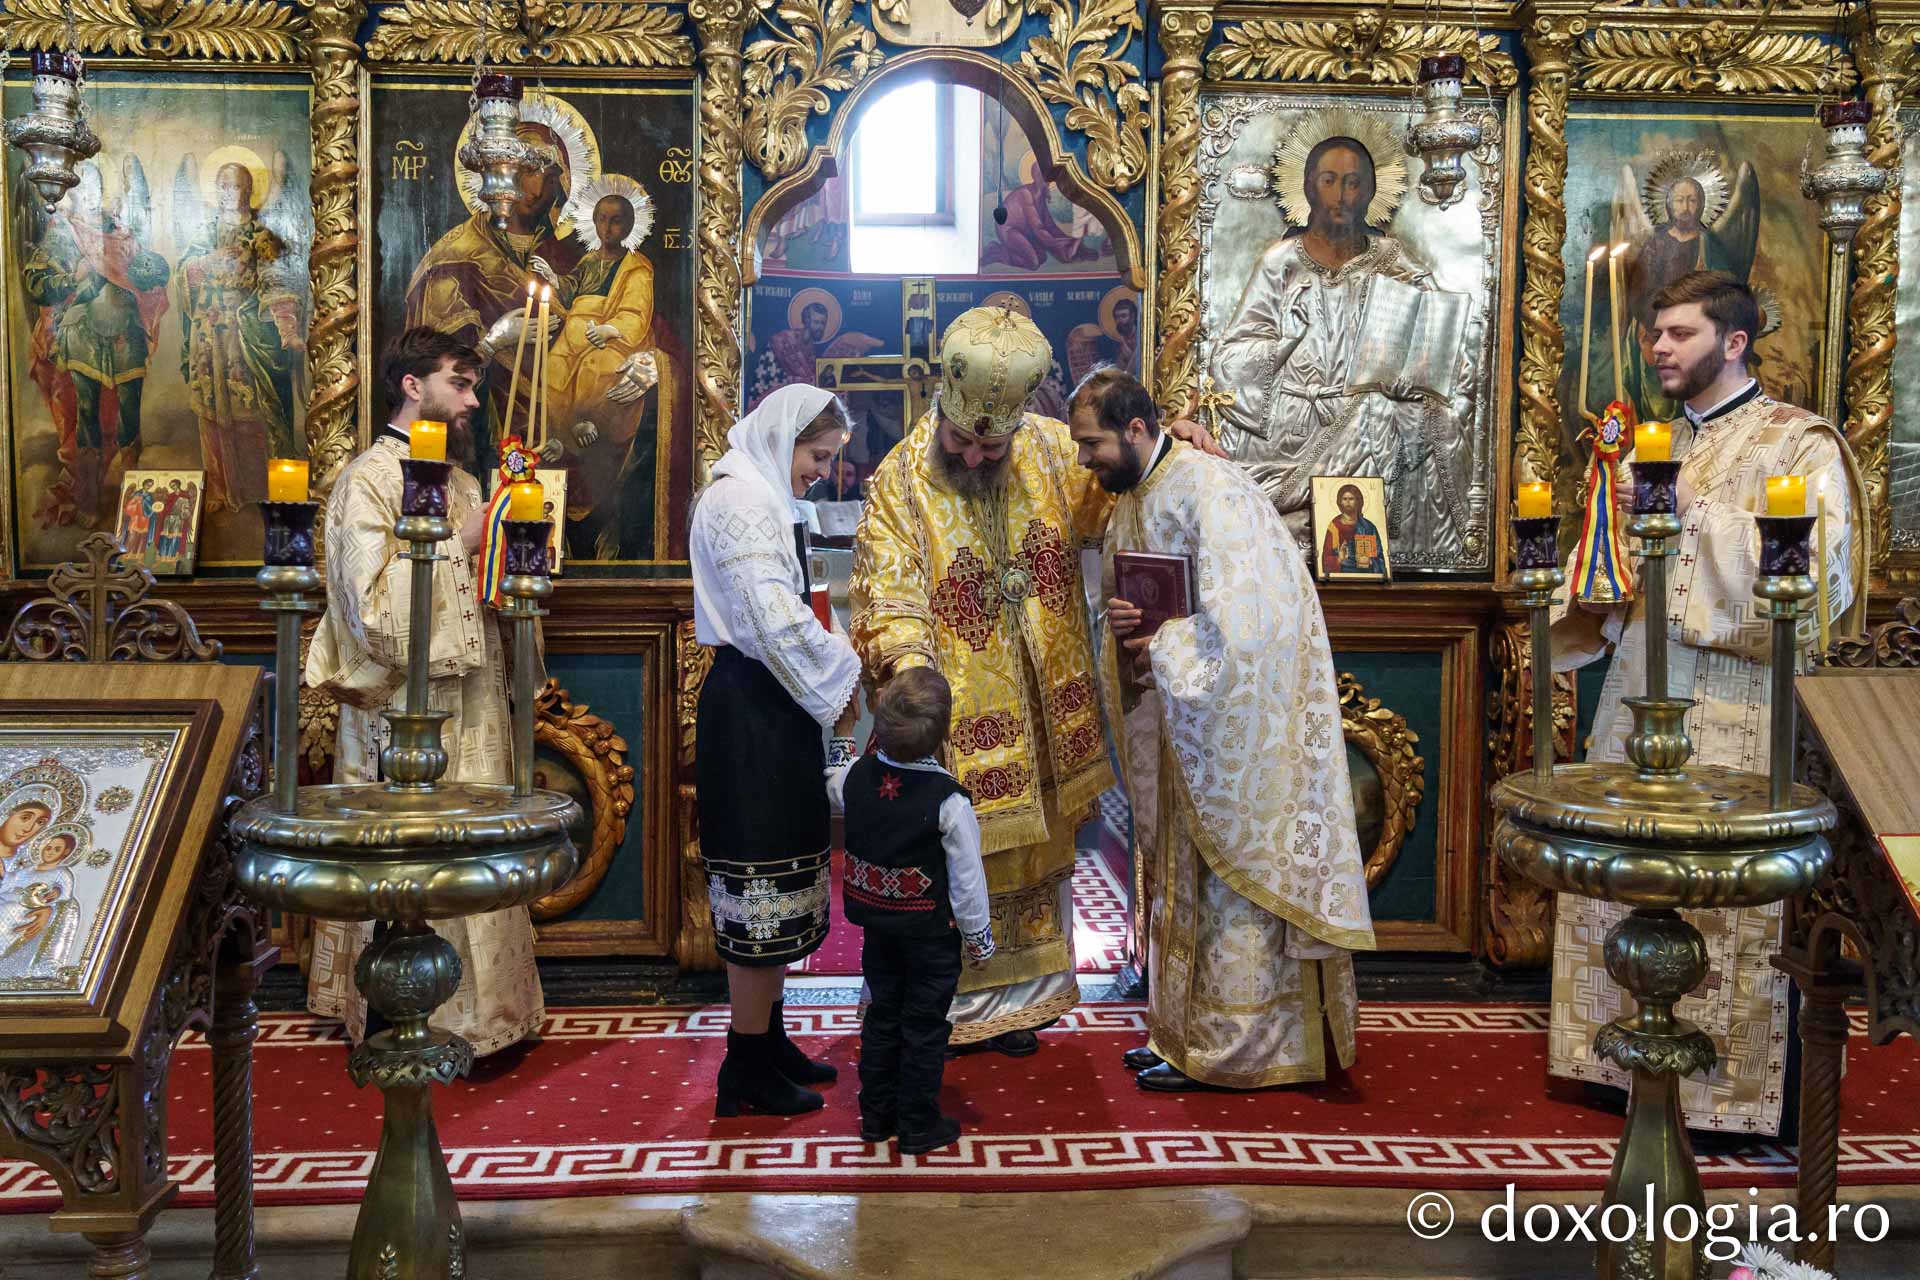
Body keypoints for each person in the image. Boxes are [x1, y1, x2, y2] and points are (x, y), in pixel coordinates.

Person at [850, 306, 1221, 1056]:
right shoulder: (901, 479)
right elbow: (886, 590)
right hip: (962, 705)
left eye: (995, 444)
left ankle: (1023, 1002)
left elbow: (1120, 489)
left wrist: (1175, 449)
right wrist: (911, 669)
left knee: (1043, 850)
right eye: (965, 441)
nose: (980, 457)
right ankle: (947, 1006)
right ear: (942, 411)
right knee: (960, 854)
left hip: (1048, 700)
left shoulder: (1052, 449)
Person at [1549, 271, 1867, 1135]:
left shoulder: (1801, 445)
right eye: (1657, 334)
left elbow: (1816, 581)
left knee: (1728, 898)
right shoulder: (1653, 438)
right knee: (1623, 872)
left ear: (1734, 343)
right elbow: (1623, 582)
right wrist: (1601, 565)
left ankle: (1727, 1096)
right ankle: (1621, 1065)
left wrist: (1692, 509)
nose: (1660, 349)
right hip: (1642, 693)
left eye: (1679, 334)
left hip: (1740, 710)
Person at [1072, 368, 1376, 1090]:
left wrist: (1170, 644)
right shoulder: (1134, 497)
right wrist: (1121, 624)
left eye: (1092, 445)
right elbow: (1141, 606)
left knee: (1229, 890)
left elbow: (1258, 623)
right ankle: (1181, 1037)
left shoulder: (1215, 491)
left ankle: (1244, 1048)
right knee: (1181, 884)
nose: (1085, 461)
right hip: (1179, 726)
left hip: (1229, 731)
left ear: (1137, 430)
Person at [303, 327, 545, 1059]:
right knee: (408, 854)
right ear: (413, 386)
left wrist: (514, 572)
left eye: (473, 386)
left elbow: (480, 593)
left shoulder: (468, 483)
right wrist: (463, 546)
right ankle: (403, 1013)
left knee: (473, 843)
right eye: (459, 383)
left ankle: (484, 1016)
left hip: (472, 704)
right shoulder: (368, 480)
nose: (473, 400)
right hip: (401, 716)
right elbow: (368, 609)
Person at [691, 382, 864, 1116]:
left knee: (784, 878)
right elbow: (768, 621)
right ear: (782, 437)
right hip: (752, 710)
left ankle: (769, 1040)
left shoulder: (763, 492)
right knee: (758, 891)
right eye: (817, 455)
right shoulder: (741, 503)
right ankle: (744, 1067)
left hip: (773, 706)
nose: (821, 471)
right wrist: (847, 670)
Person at [1210, 134, 1471, 566]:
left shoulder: (1394, 264)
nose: (1342, 195)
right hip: (1293, 425)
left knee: (1400, 414)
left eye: (1353, 183)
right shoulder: (1281, 264)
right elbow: (1231, 358)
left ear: (1369, 191)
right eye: (1330, 181)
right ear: (1310, 187)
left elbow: (1445, 349)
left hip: (1370, 425)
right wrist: (1286, 340)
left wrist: (1413, 374)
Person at [830, 667, 994, 1153]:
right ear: (945, 734)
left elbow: (833, 785)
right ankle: (918, 1123)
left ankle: (875, 1117)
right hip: (930, 937)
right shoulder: (949, 801)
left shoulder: (859, 777)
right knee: (924, 1025)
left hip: (878, 929)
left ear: (878, 722)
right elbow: (967, 880)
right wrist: (979, 937)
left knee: (883, 1015)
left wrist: (842, 738)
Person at [532, 188, 670, 559]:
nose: (607, 227)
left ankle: (586, 423)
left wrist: (609, 330)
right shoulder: (590, 261)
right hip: (574, 333)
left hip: (612, 340)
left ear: (628, 226)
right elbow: (571, 289)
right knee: (554, 369)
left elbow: (636, 313)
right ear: (593, 223)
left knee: (601, 368)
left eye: (616, 220)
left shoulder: (637, 267)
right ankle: (564, 433)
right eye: (602, 220)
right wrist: (554, 279)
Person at [177, 161, 305, 513]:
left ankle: (254, 489)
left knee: (249, 411)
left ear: (247, 191)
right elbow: (183, 273)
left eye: (232, 187)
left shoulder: (263, 237)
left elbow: (278, 281)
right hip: (208, 334)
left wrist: (288, 329)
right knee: (212, 413)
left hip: (246, 334)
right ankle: (218, 490)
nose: (225, 194)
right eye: (220, 186)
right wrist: (208, 263)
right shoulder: (205, 233)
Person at [1320, 482, 1385, 576]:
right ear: (1340, 502)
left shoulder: (1368, 527)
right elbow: (1325, 561)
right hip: (1341, 576)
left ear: (1358, 501)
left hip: (1366, 576)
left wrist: (1370, 561)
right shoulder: (1334, 527)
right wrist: (1339, 558)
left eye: (1351, 499)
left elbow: (1381, 561)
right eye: (1344, 499)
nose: (1347, 502)